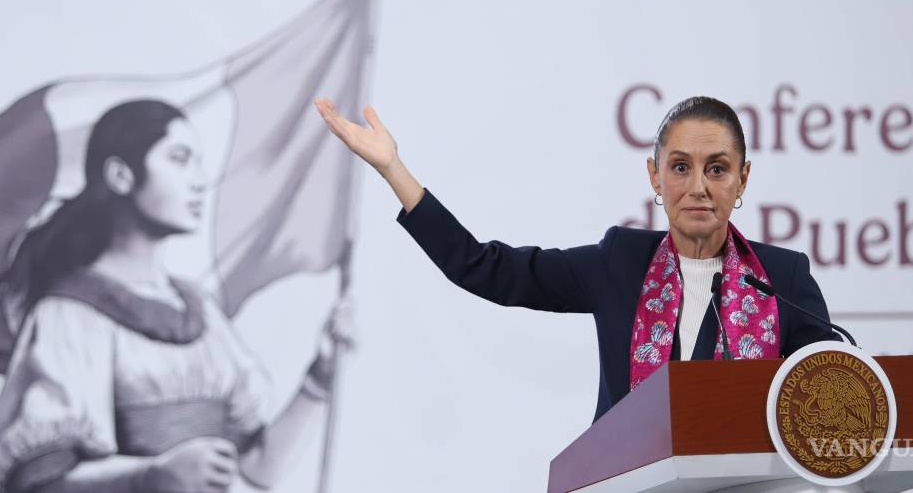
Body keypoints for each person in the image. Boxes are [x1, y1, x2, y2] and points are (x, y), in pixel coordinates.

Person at [314, 95, 837, 422]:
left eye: (717, 169)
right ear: (655, 177)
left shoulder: (782, 278)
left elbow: (830, 397)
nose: (698, 186)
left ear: (743, 179)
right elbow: (484, 267)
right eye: (680, 167)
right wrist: (394, 169)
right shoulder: (620, 262)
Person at [0, 100, 352, 493]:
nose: (199, 181)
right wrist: (151, 475)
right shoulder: (69, 316)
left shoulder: (201, 312)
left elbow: (259, 467)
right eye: (179, 159)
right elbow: (39, 485)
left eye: (197, 163)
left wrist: (320, 375)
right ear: (121, 175)